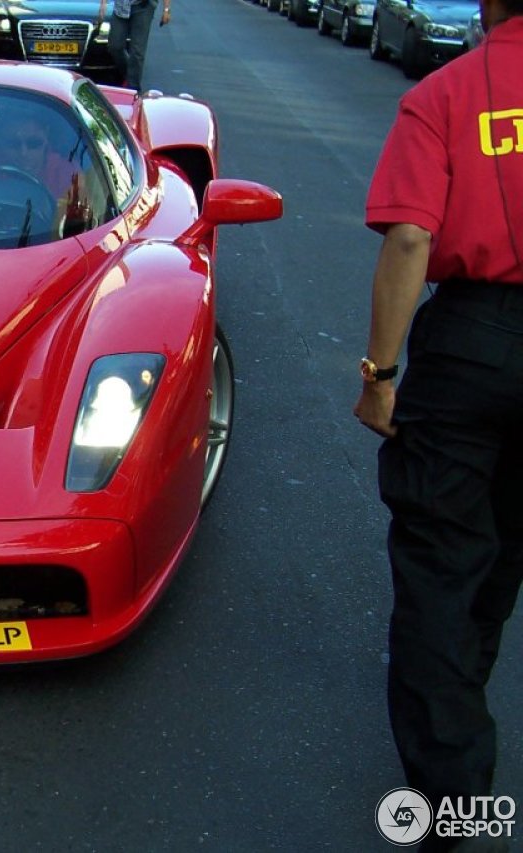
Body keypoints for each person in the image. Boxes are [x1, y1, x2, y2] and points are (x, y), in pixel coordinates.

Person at [354, 0, 523, 846]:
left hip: (474, 344)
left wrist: (380, 376)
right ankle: (463, 701)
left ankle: (455, 796)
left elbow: (412, 238)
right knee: (501, 550)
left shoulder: (453, 91)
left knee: (439, 564)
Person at [98, 0, 171, 92]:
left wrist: (166, 9)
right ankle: (129, 75)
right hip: (120, 8)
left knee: (137, 52)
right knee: (115, 46)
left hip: (143, 7)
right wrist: (103, 4)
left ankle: (133, 89)